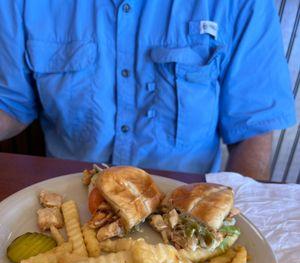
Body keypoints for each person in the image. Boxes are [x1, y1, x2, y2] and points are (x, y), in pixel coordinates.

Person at [0, 0, 296, 180]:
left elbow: (252, 129)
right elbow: (11, 104)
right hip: (70, 205)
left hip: (184, 214)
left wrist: (239, 222)